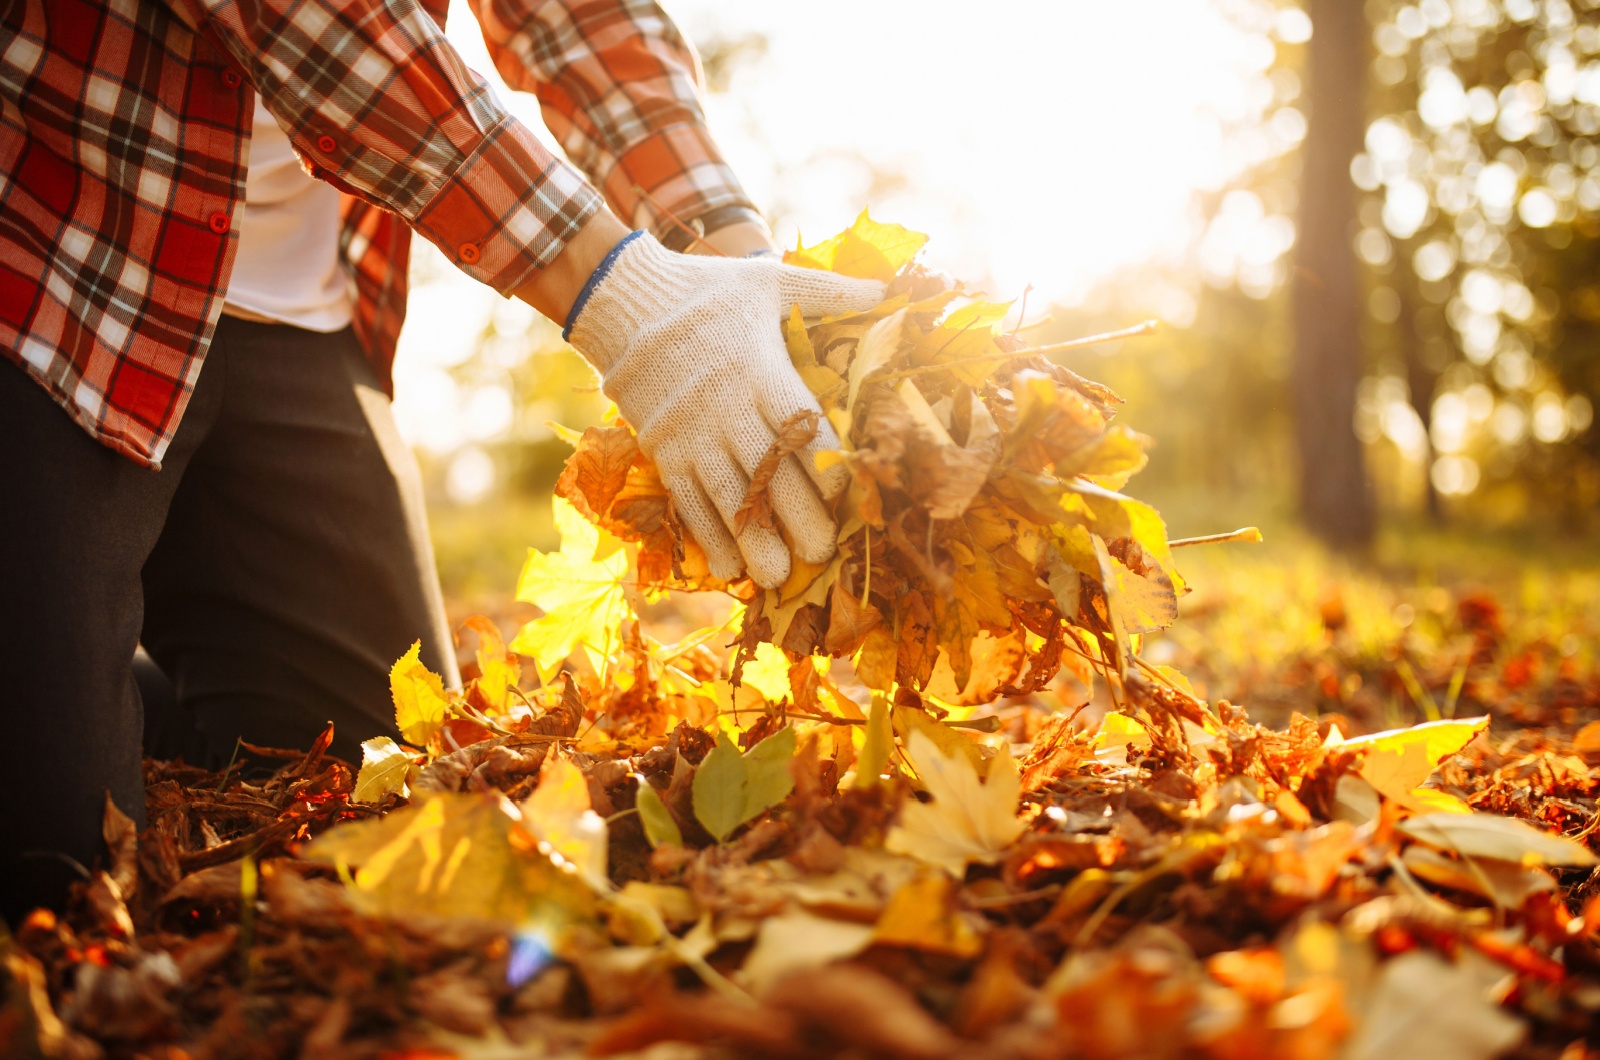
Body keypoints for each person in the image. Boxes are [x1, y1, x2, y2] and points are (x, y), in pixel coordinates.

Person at [0, 0, 883, 923]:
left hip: (296, 313)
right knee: (55, 882)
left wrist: (728, 256)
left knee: (365, 786)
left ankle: (84, 673)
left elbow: (583, 20)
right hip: (52, 259)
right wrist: (622, 297)